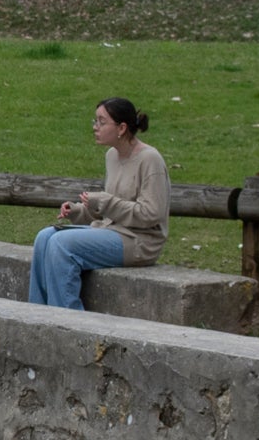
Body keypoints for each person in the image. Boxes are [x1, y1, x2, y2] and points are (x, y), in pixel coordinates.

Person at [30, 97, 168, 309]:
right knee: (44, 237)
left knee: (61, 244)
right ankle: (37, 314)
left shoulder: (150, 159)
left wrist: (105, 201)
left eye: (102, 122)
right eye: (95, 121)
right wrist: (78, 211)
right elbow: (108, 213)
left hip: (139, 241)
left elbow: (151, 214)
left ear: (121, 127)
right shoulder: (111, 156)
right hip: (111, 231)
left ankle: (67, 323)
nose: (95, 127)